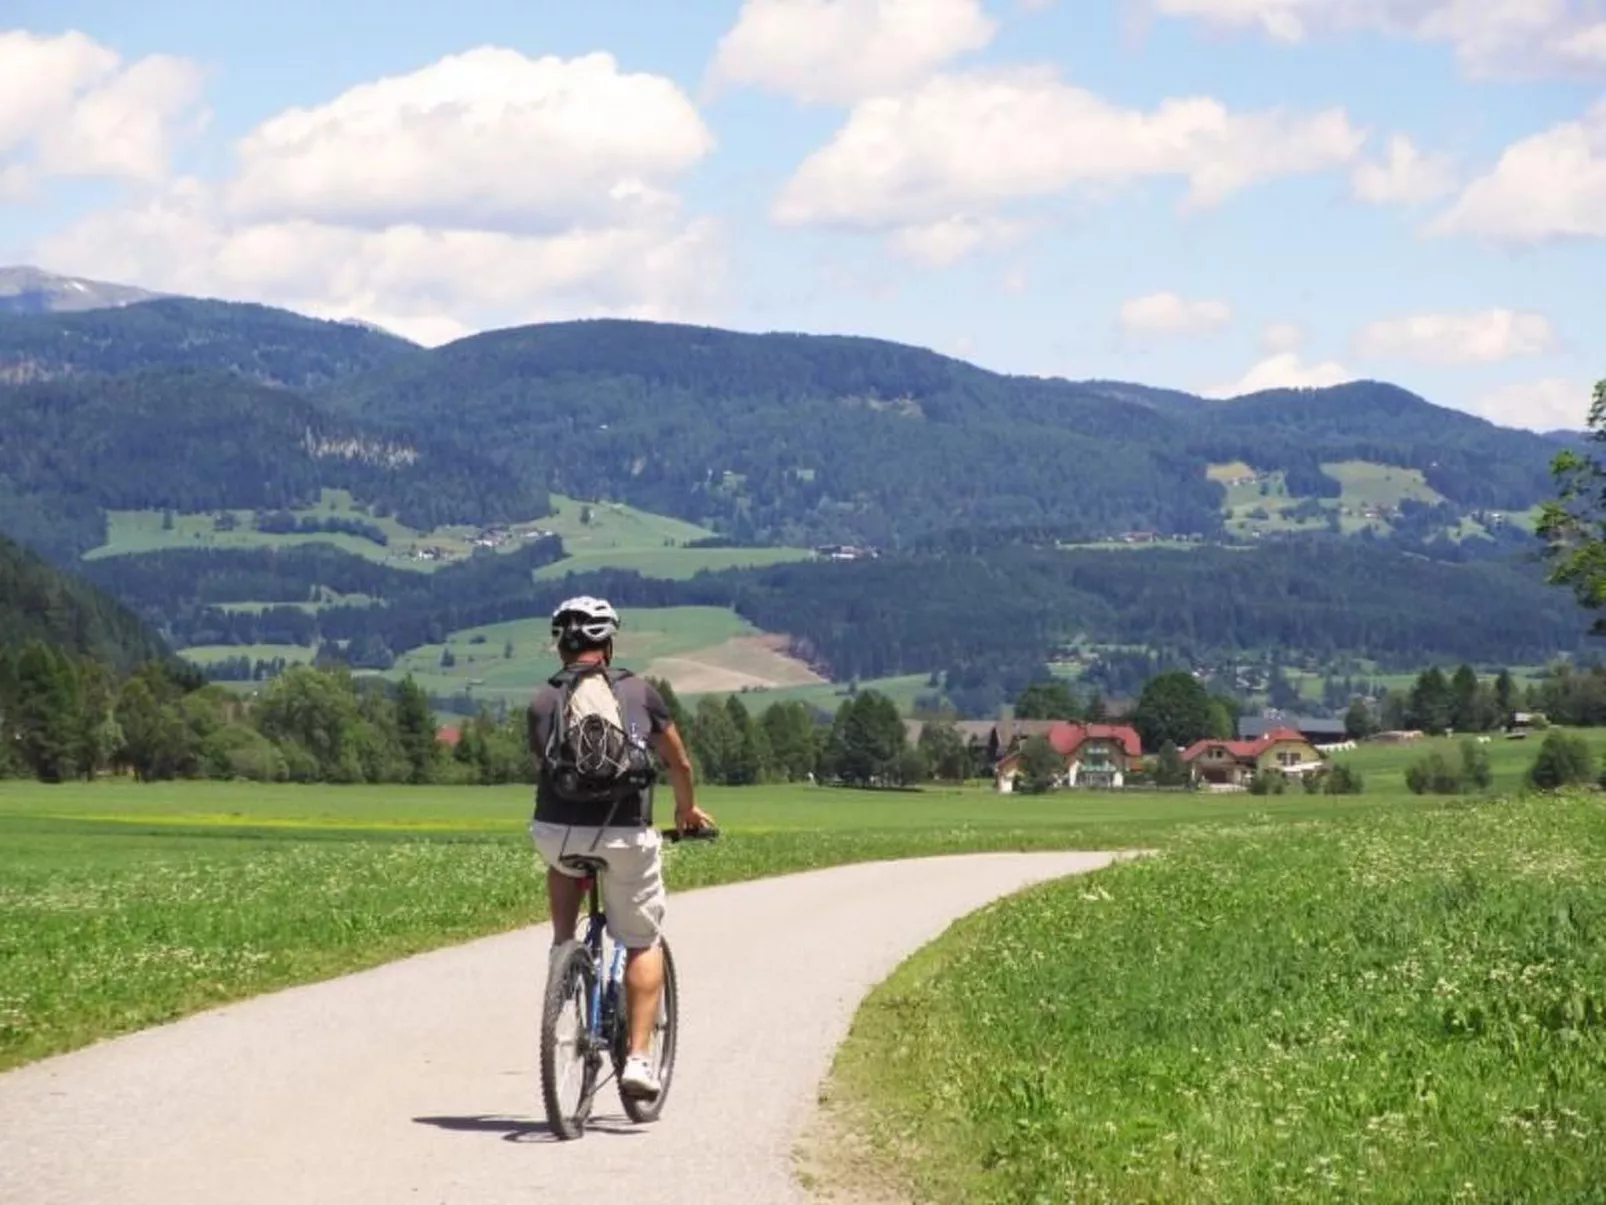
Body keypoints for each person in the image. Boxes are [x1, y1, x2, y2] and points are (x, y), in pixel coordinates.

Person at [526, 595, 714, 1101]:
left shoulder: (543, 701)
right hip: (626, 832)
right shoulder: (640, 692)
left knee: (564, 863)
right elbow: (679, 763)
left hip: (557, 831)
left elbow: (545, 767)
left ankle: (562, 951)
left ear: (560, 645)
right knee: (642, 940)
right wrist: (686, 812)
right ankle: (637, 1059)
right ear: (607, 644)